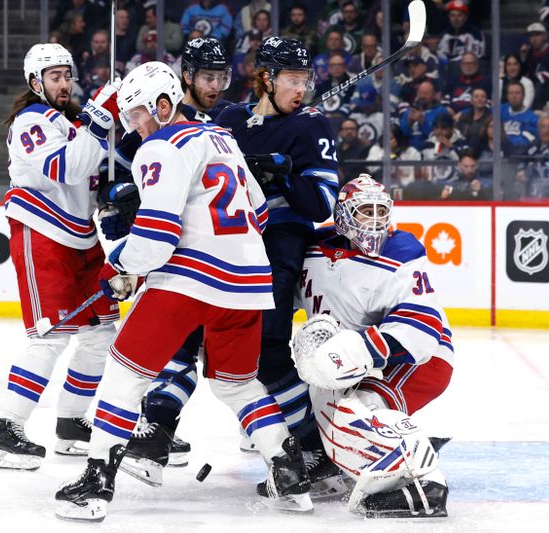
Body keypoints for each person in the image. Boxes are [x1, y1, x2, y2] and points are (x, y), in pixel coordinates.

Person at [54, 61, 313, 521]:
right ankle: (288, 471)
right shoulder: (222, 139)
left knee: (124, 373)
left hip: (190, 279)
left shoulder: (160, 146)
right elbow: (258, 210)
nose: (133, 124)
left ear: (163, 104)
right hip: (250, 282)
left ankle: (96, 481)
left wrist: (119, 260)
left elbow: (155, 238)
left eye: (136, 114)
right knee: (236, 385)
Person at [0, 43, 124, 471]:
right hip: (41, 233)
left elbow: (97, 173)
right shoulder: (31, 120)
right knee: (49, 337)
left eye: (67, 75)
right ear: (35, 82)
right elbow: (67, 168)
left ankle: (70, 424)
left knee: (102, 333)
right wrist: (100, 120)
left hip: (82, 239)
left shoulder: (73, 121)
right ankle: (6, 431)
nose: (64, 84)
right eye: (55, 77)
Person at [216, 37, 343, 499]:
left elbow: (321, 204)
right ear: (266, 78)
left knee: (268, 350)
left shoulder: (311, 126)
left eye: (306, 79)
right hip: (225, 246)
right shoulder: (231, 118)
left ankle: (310, 449)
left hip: (279, 243)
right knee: (220, 351)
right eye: (292, 79)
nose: (302, 88)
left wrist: (283, 175)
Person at [292, 174, 453, 518]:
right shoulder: (311, 248)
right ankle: (334, 462)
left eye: (382, 212)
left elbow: (422, 330)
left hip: (417, 359)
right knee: (322, 408)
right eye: (366, 211)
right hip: (361, 359)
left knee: (359, 409)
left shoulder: (402, 251)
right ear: (344, 216)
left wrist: (352, 351)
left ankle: (424, 481)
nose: (376, 221)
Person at [111, 37, 236, 474]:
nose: (216, 85)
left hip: (214, 255)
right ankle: (159, 428)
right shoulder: (165, 122)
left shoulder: (231, 119)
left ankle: (157, 432)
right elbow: (133, 157)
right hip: (183, 252)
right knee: (181, 351)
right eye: (207, 77)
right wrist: (126, 194)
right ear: (186, 78)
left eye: (221, 76)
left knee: (203, 357)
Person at [514, 113, 549, 198]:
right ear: (538, 129)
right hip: (531, 194)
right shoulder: (531, 148)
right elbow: (520, 164)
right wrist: (521, 171)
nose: (546, 130)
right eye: (543, 127)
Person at [501, 80, 538, 151]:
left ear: (523, 96)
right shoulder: (500, 110)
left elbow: (529, 143)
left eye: (517, 93)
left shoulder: (532, 119)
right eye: (511, 93)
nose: (514, 96)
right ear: (507, 96)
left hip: (517, 155)